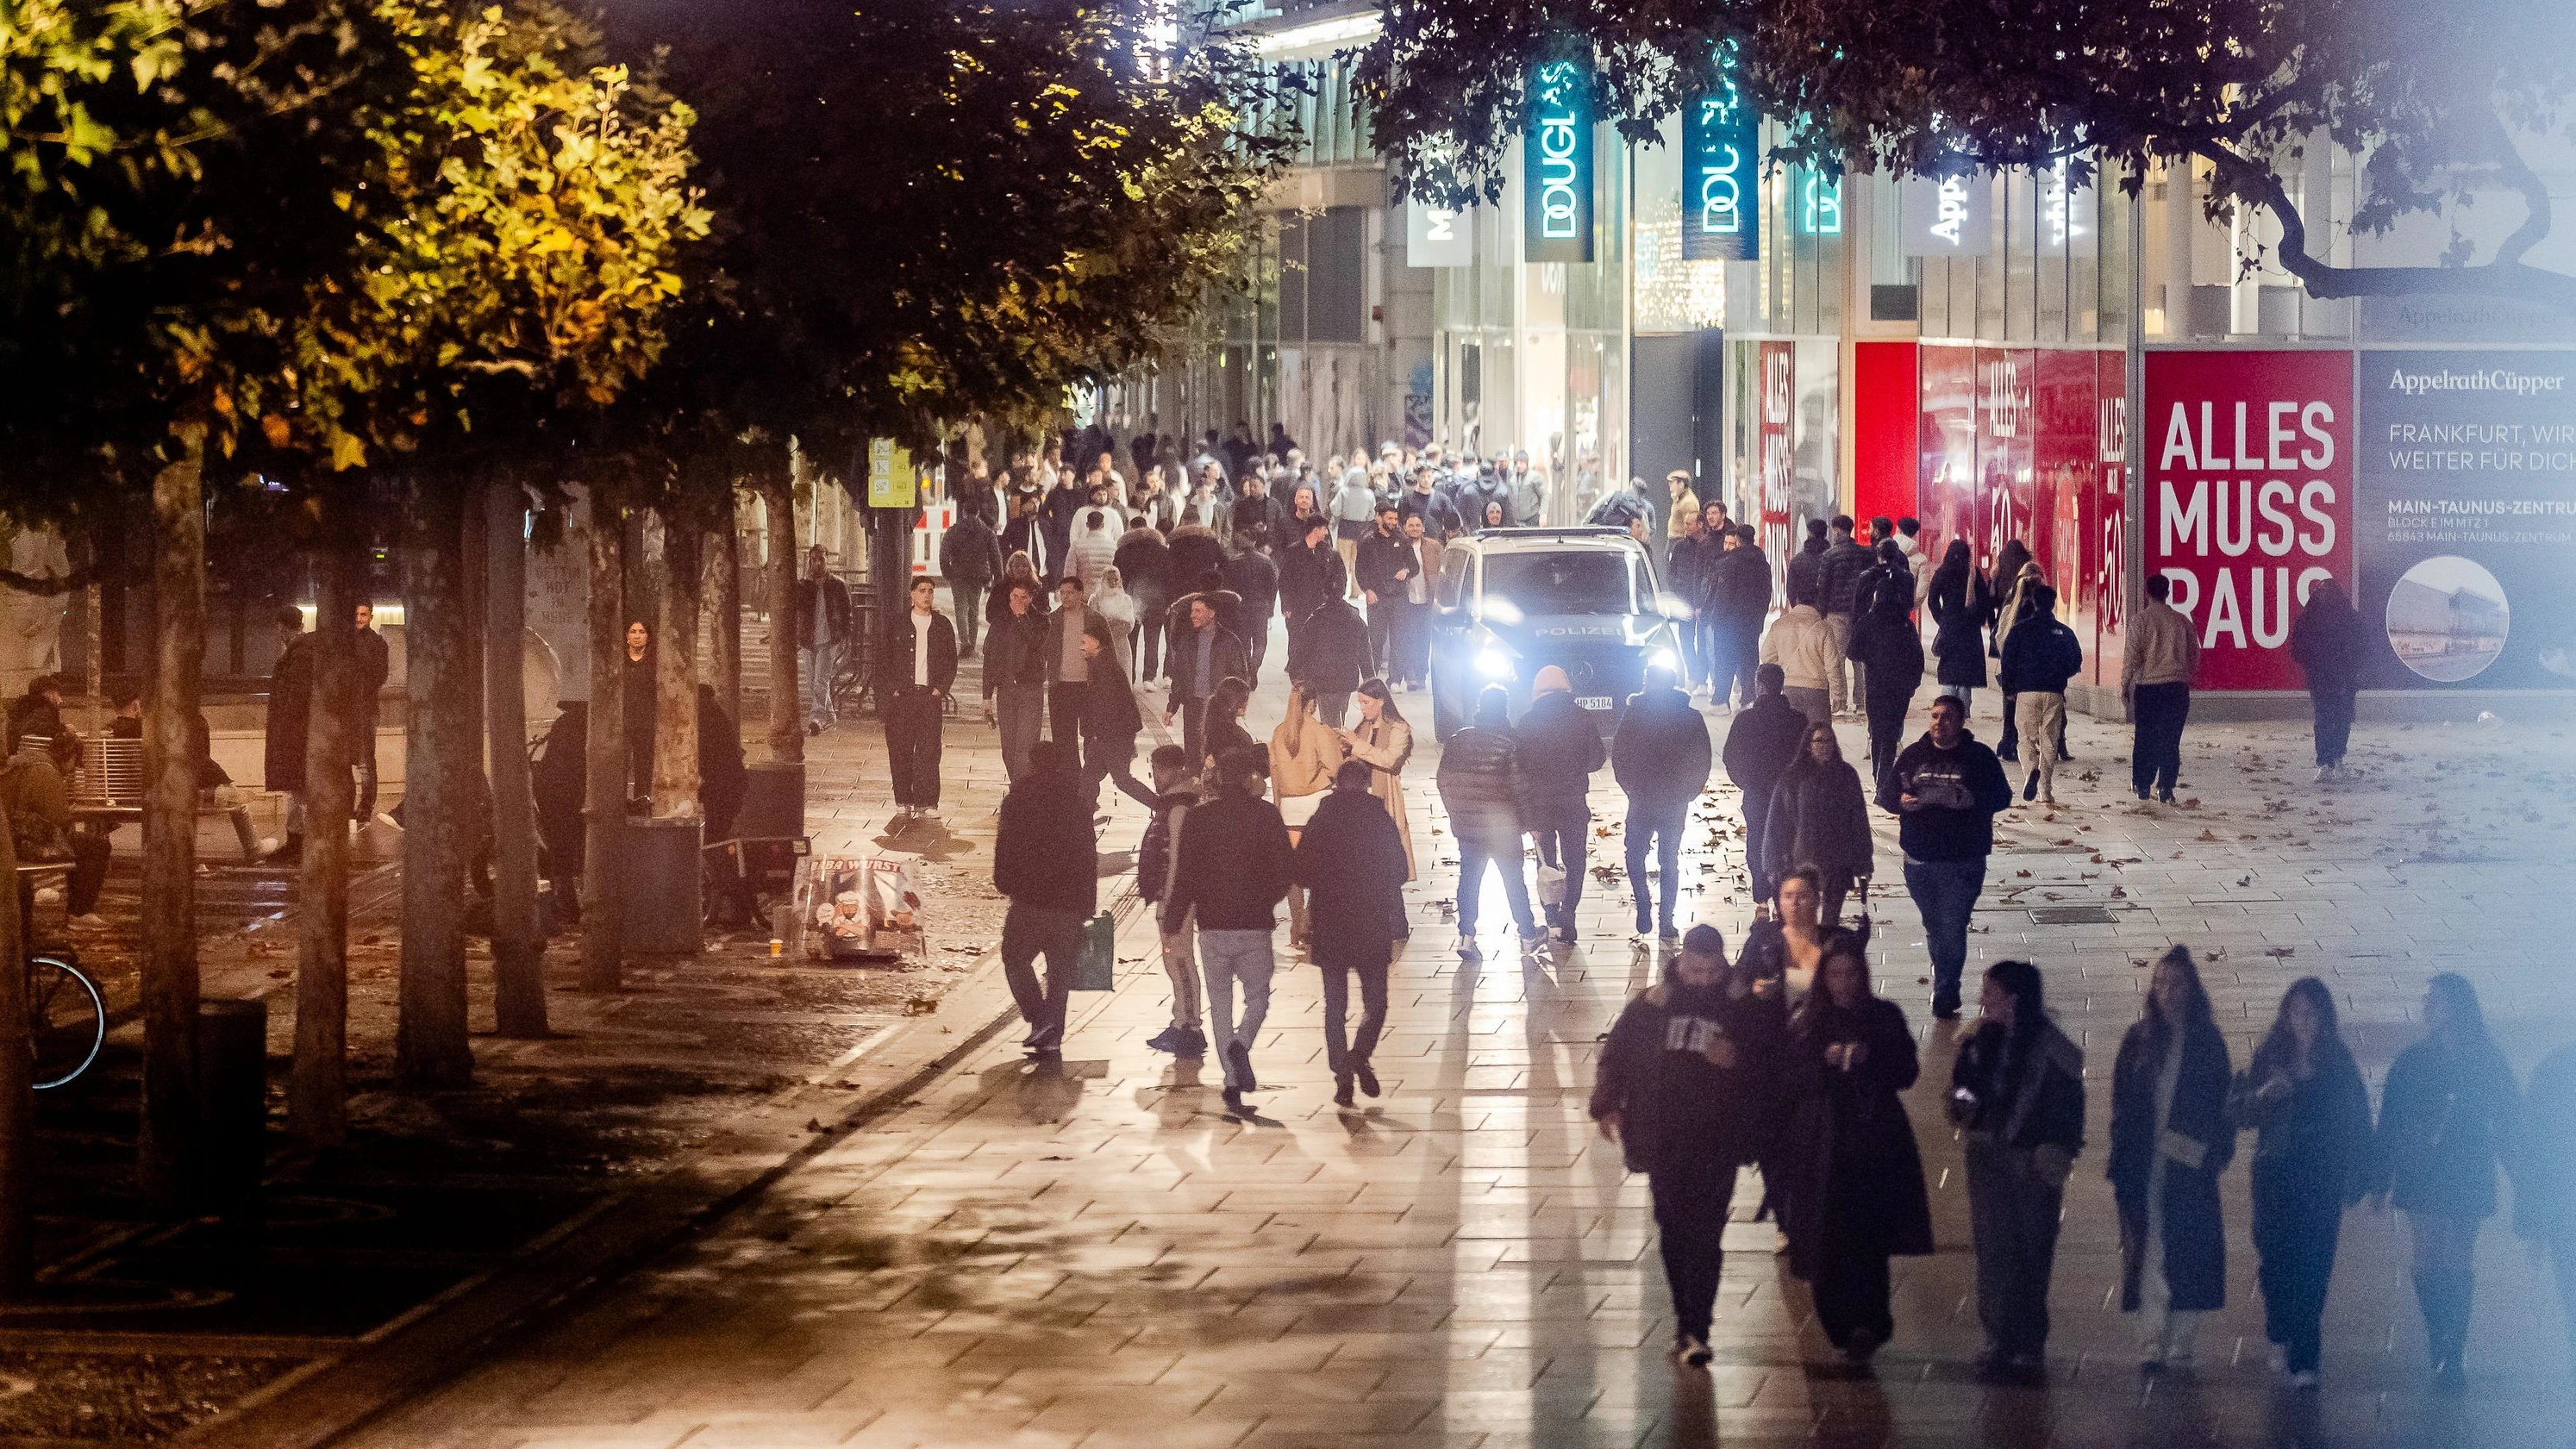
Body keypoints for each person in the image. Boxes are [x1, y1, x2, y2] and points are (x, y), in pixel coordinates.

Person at [1590, 925, 1785, 1368]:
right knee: (1673, 1229)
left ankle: (1697, 1327)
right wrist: (1607, 1104)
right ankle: (1684, 1319)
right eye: (1693, 969)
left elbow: (1771, 1065)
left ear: (1722, 965)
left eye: (1710, 970)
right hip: (1663, 1137)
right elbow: (1617, 1055)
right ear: (1681, 963)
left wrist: (1737, 1059)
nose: (1700, 978)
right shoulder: (1651, 1005)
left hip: (1717, 1139)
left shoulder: (1742, 1009)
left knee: (1707, 1232)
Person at [1781, 935, 1933, 1362]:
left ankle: (1871, 1321)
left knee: (1867, 1237)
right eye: (1835, 974)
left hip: (1873, 1142)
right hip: (1822, 1143)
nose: (1843, 983)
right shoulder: (1807, 1021)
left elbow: (1906, 1071)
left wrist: (1871, 1057)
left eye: (1851, 974)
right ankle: (1840, 1324)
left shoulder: (1883, 1017)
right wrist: (1823, 1064)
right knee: (1826, 1238)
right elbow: (1789, 1080)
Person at [2368, 971, 2520, 1392]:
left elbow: (2509, 1121)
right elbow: (2391, 1123)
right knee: (2429, 1258)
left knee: (2457, 1257)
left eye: (2438, 1000)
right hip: (2424, 1172)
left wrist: (2524, 1177)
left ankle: (2451, 1349)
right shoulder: (2412, 1061)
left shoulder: (2485, 1060)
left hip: (2467, 1170)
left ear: (2459, 1007)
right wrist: (2380, 1179)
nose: (2429, 1008)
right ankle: (2442, 1342)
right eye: (2427, 1001)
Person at [2229, 976, 2373, 1389]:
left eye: (2311, 1013)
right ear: (2286, 1016)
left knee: (2314, 1260)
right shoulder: (2271, 1056)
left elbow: (2357, 1122)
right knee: (2274, 1256)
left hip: (2320, 1177)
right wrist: (2264, 1097)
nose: (2304, 1022)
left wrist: (2359, 1177)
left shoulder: (2338, 1062)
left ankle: (2306, 1351)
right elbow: (2238, 1112)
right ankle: (2279, 1326)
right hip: (2275, 1173)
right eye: (2296, 1013)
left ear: (2324, 1017)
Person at [1948, 959, 2086, 1379]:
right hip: (1987, 1160)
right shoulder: (1977, 1042)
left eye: (1990, 992)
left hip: (2032, 1166)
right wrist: (1964, 1104)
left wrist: (2052, 1153)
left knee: (2032, 1252)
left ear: (2013, 998)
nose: (1981, 1000)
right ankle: (1998, 1339)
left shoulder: (2055, 1050)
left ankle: (2028, 1342)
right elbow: (1959, 1089)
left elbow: (2067, 1112)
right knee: (1993, 1251)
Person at [2109, 945, 2236, 1369]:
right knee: (2149, 1248)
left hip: (2188, 1166)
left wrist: (2210, 1153)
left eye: (2177, 984)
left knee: (2187, 1249)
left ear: (2192, 989)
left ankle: (2181, 1336)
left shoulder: (2207, 1044)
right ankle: (2151, 1338)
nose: (2167, 993)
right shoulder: (2139, 1039)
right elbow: (2122, 1103)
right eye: (2160, 983)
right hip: (2145, 1163)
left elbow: (2221, 1108)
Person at [1163, 745, 1294, 1109]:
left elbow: (1185, 875)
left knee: (1220, 1004)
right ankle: (1242, 1044)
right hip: (1254, 925)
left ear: (1218, 778)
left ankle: (1231, 1080)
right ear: (1250, 778)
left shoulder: (1200, 818)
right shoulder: (1266, 816)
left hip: (1213, 926)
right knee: (1259, 998)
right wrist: (1268, 899)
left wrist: (1175, 917)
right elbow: (1286, 870)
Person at [1878, 692, 2011, 1019]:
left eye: (1947, 717)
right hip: (1919, 860)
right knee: (1935, 926)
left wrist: (1972, 801)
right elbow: (1887, 794)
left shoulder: (1978, 757)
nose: (1939, 723)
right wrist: (1901, 802)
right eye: (1935, 716)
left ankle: (1946, 991)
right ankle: (1946, 981)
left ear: (1961, 721)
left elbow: (2002, 796)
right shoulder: (1913, 755)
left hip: (1962, 860)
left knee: (1951, 926)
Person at [1297, 759, 1409, 1108]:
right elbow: (1400, 871)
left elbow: (1301, 871)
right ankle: (1359, 1055)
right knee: (1376, 1002)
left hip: (1330, 922)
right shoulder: (1379, 819)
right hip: (1371, 921)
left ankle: (1342, 1073)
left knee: (1335, 1005)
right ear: (1365, 784)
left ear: (1337, 784)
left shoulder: (1322, 818)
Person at [992, 740, 1095, 1059]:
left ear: (1033, 764)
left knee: (1014, 957)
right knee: (1061, 969)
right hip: (1069, 901)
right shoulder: (1076, 803)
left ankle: (1038, 1018)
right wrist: (1087, 902)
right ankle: (1053, 1031)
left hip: (1031, 898)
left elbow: (1005, 846)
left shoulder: (1018, 800)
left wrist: (1004, 881)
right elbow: (1087, 854)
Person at [1435, 686, 1538, 956]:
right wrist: (1529, 824)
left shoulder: (1458, 739)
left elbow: (1443, 780)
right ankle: (1527, 934)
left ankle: (1466, 936)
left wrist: (1456, 813)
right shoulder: (1509, 742)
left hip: (1468, 830)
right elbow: (1520, 788)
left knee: (1469, 881)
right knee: (1514, 882)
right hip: (1503, 828)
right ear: (1504, 709)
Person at [1611, 664, 1710, 940]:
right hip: (1674, 800)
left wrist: (1629, 786)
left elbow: (1619, 755)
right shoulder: (1690, 716)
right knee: (1669, 859)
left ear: (1649, 683)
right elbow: (1702, 758)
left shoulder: (1633, 714)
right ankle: (1666, 919)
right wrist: (1689, 791)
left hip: (1642, 797)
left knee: (1634, 854)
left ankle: (1643, 905)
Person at [1515, 665, 1605, 945]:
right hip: (1573, 801)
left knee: (1546, 862)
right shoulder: (1583, 718)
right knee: (1575, 860)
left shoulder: (1527, 722)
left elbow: (1519, 767)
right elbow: (1597, 759)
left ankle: (1551, 913)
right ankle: (1570, 913)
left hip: (1540, 805)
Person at [1759, 722, 1873, 925]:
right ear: (1808, 745)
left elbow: (1858, 820)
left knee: (1830, 922)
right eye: (1819, 741)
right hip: (1800, 859)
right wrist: (1772, 861)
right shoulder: (1792, 777)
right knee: (1800, 920)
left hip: (1838, 860)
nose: (1824, 745)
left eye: (1829, 741)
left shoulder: (1846, 776)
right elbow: (1776, 821)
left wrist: (1863, 861)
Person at [1137, 745, 1207, 1059]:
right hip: (1173, 896)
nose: (1156, 778)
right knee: (1173, 957)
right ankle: (1181, 1019)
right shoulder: (1175, 803)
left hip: (1176, 898)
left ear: (1176, 770)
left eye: (1160, 771)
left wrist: (1169, 899)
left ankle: (1190, 1026)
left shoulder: (1179, 807)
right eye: (1154, 771)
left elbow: (1177, 857)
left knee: (1178, 957)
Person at [1721, 664, 1809, 905]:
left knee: (1757, 841)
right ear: (1781, 686)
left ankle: (1761, 897)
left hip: (1757, 793)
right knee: (1787, 844)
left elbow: (1731, 756)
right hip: (1789, 796)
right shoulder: (1798, 721)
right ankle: (1784, 897)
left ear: (1759, 686)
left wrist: (1746, 782)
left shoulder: (1746, 720)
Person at [1, 734, 109, 926]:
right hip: (23, 843)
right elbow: (59, 820)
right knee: (96, 847)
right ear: (71, 757)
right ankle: (79, 913)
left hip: (7, 838)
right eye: (75, 763)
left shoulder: (25, 761)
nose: (74, 770)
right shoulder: (46, 771)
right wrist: (71, 810)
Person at [1846, 540, 1925, 793]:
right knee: (1892, 728)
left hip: (1877, 679)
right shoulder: (1905, 625)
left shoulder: (1869, 615)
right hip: (1900, 684)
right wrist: (1913, 683)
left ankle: (1879, 773)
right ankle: (1884, 774)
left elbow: (1853, 651)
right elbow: (1917, 657)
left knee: (1878, 725)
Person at [878, 577, 957, 824]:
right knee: (900, 749)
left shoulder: (942, 625)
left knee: (929, 750)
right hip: (903, 697)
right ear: (912, 595)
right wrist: (892, 690)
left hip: (928, 696)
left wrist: (940, 689)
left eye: (930, 591)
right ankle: (903, 799)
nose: (926, 596)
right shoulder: (897, 624)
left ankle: (927, 801)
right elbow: (883, 659)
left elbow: (950, 662)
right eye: (922, 591)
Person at [1998, 584, 2082, 807]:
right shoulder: (2064, 632)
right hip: (2054, 692)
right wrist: (2061, 675)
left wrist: (2009, 688)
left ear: (2033, 602)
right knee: (2050, 740)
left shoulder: (2019, 630)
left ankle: (2030, 772)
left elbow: (2007, 661)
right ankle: (2045, 790)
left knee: (2025, 738)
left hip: (2026, 691)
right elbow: (2075, 661)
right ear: (2053, 603)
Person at [2123, 573, 2200, 805]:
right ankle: (2166, 786)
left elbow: (2132, 656)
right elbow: (2194, 653)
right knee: (2171, 738)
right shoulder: (2182, 621)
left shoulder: (2140, 621)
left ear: (2147, 593)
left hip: (2149, 689)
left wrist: (2125, 683)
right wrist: (2187, 674)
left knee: (2145, 737)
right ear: (2167, 593)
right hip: (2177, 688)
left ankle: (2143, 784)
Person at [2288, 578, 2366, 780]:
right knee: (2342, 718)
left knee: (2323, 717)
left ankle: (2324, 763)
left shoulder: (2307, 619)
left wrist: (2314, 662)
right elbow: (2362, 649)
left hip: (2319, 678)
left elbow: (2297, 651)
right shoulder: (2351, 618)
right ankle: (2338, 760)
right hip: (2344, 679)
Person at [1340, 679, 1416, 880]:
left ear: (1381, 701)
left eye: (1366, 702)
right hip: (1360, 796)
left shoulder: (1399, 728)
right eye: (1361, 703)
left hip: (1384, 794)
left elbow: (1389, 759)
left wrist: (1357, 745)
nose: (1363, 708)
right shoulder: (1363, 726)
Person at [1077, 621, 1155, 811]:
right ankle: (1082, 818)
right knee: (1088, 778)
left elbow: (1108, 705)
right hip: (1107, 735)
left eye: (1084, 642)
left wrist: (1101, 735)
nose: (1081, 647)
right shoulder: (1101, 664)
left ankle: (1162, 806)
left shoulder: (1105, 668)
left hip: (1112, 735)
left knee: (1123, 781)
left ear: (1096, 643)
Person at [1163, 596, 1247, 766]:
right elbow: (1179, 676)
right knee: (1193, 752)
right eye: (1192, 611)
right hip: (1193, 704)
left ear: (1212, 613)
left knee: (1217, 751)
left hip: (1220, 706)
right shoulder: (1187, 642)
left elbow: (1240, 675)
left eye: (1198, 611)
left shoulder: (1229, 641)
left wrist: (1239, 703)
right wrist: (1172, 707)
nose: (1193, 615)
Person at [1286, 556, 1367, 728]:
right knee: (1339, 714)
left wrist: (1295, 671)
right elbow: (1365, 653)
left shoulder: (1316, 619)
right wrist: (1369, 678)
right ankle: (1336, 739)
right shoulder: (1355, 619)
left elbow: (1302, 648)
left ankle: (1331, 744)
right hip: (1346, 676)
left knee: (1328, 717)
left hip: (1323, 677)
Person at [263, 607, 316, 859]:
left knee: (298, 788)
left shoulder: (300, 655)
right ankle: (297, 839)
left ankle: (300, 842)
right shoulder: (301, 652)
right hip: (296, 730)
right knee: (296, 789)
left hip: (294, 732)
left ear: (284, 627)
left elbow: (295, 698)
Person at [1042, 576, 1109, 772]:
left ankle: (1089, 780)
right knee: (1063, 738)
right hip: (1061, 686)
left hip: (1088, 686)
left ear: (1080, 594)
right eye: (1062, 593)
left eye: (1070, 593)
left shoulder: (1095, 620)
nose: (1065, 597)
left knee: (1092, 734)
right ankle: (1071, 781)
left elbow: (1108, 653)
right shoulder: (1052, 620)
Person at [984, 581, 1049, 781]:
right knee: (1009, 748)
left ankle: (1022, 793)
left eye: (1024, 597)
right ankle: (1020, 788)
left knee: (1026, 747)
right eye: (1015, 597)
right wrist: (987, 696)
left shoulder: (1040, 621)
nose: (1019, 602)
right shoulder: (1000, 621)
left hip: (1030, 689)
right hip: (1006, 690)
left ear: (1031, 599)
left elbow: (1037, 645)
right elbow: (990, 658)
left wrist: (1022, 619)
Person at [1709, 525, 1773, 708]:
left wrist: (1716, 619)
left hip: (1728, 622)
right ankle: (1748, 699)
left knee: (1725, 661)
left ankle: (1721, 701)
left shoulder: (1730, 562)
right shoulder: (1762, 563)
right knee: (1749, 660)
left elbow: (1723, 594)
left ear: (1738, 539)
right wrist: (1760, 617)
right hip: (1751, 622)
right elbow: (1766, 593)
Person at [1989, 559, 2047, 762]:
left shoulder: (2010, 605)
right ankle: (2035, 745)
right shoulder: (2038, 610)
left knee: (2011, 707)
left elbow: (1999, 635)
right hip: (2034, 668)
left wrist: (2008, 656)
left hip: (2012, 665)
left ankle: (2008, 743)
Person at [1925, 540, 1991, 715]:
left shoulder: (1942, 571)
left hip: (1950, 628)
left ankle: (1946, 710)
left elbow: (1932, 600)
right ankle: (1963, 712)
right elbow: (1984, 600)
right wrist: (1977, 619)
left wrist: (1942, 619)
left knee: (1949, 671)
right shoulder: (1972, 572)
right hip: (1969, 629)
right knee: (1965, 676)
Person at [1817, 517, 1874, 719]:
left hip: (1837, 611)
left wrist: (1821, 612)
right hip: (1862, 611)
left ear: (1838, 530)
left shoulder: (1829, 555)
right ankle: (1862, 701)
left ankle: (1839, 701)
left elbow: (1823, 587)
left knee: (1838, 657)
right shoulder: (1866, 553)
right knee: (1860, 658)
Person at [1759, 580, 1835, 724]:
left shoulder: (1779, 625)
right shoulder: (1823, 628)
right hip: (1817, 690)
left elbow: (1766, 655)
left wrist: (1783, 666)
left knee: (1793, 735)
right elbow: (1833, 666)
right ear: (1817, 602)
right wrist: (1839, 695)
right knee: (1818, 737)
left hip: (1789, 686)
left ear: (1797, 600)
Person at [793, 546, 850, 735]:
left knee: (821, 680)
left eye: (822, 560)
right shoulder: (803, 585)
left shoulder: (837, 585)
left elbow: (846, 611)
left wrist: (844, 636)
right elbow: (797, 611)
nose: (818, 563)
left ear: (827, 561)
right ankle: (831, 715)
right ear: (810, 561)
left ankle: (816, 718)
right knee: (812, 681)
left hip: (828, 638)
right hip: (808, 639)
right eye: (815, 560)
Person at [1112, 515, 1172, 682]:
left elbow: (1117, 577)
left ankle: (1129, 676)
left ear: (1131, 530)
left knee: (1130, 640)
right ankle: (1149, 678)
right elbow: (1169, 578)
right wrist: (1168, 601)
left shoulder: (1123, 551)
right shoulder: (1162, 550)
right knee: (1152, 640)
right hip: (1157, 601)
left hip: (1131, 601)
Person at [940, 505, 1001, 659]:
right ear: (978, 512)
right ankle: (972, 645)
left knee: (960, 608)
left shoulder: (953, 531)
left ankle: (964, 643)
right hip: (978, 576)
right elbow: (995, 556)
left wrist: (947, 572)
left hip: (958, 575)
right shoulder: (987, 532)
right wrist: (998, 578)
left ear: (964, 512)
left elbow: (944, 554)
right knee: (973, 609)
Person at [351, 601, 391, 822]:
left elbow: (379, 675)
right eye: (357, 614)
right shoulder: (375, 643)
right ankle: (361, 807)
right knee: (362, 761)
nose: (359, 619)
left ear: (371, 617)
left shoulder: (376, 644)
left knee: (364, 760)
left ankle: (364, 807)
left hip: (364, 707)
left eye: (363, 614)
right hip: (361, 706)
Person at [1220, 536, 1279, 683]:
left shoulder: (1234, 562)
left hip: (1241, 608)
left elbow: (1227, 586)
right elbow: (1273, 586)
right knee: (1260, 642)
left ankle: (1247, 671)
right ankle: (1254, 668)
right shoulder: (1266, 562)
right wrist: (1270, 607)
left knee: (1244, 642)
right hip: (1260, 607)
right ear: (1255, 543)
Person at [1390, 514, 1439, 688]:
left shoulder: (1433, 547)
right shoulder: (1399, 546)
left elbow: (1442, 571)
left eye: (1418, 525)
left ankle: (1421, 674)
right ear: (1405, 528)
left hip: (1427, 601)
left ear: (1423, 528)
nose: (1415, 529)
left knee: (1424, 639)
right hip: (1406, 600)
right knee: (1408, 637)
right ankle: (1409, 674)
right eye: (1411, 525)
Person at [4, 674, 65, 757]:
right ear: (48, 692)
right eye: (58, 694)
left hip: (16, 759)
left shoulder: (19, 709)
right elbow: (44, 730)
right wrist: (64, 729)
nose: (60, 700)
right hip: (40, 761)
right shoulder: (47, 709)